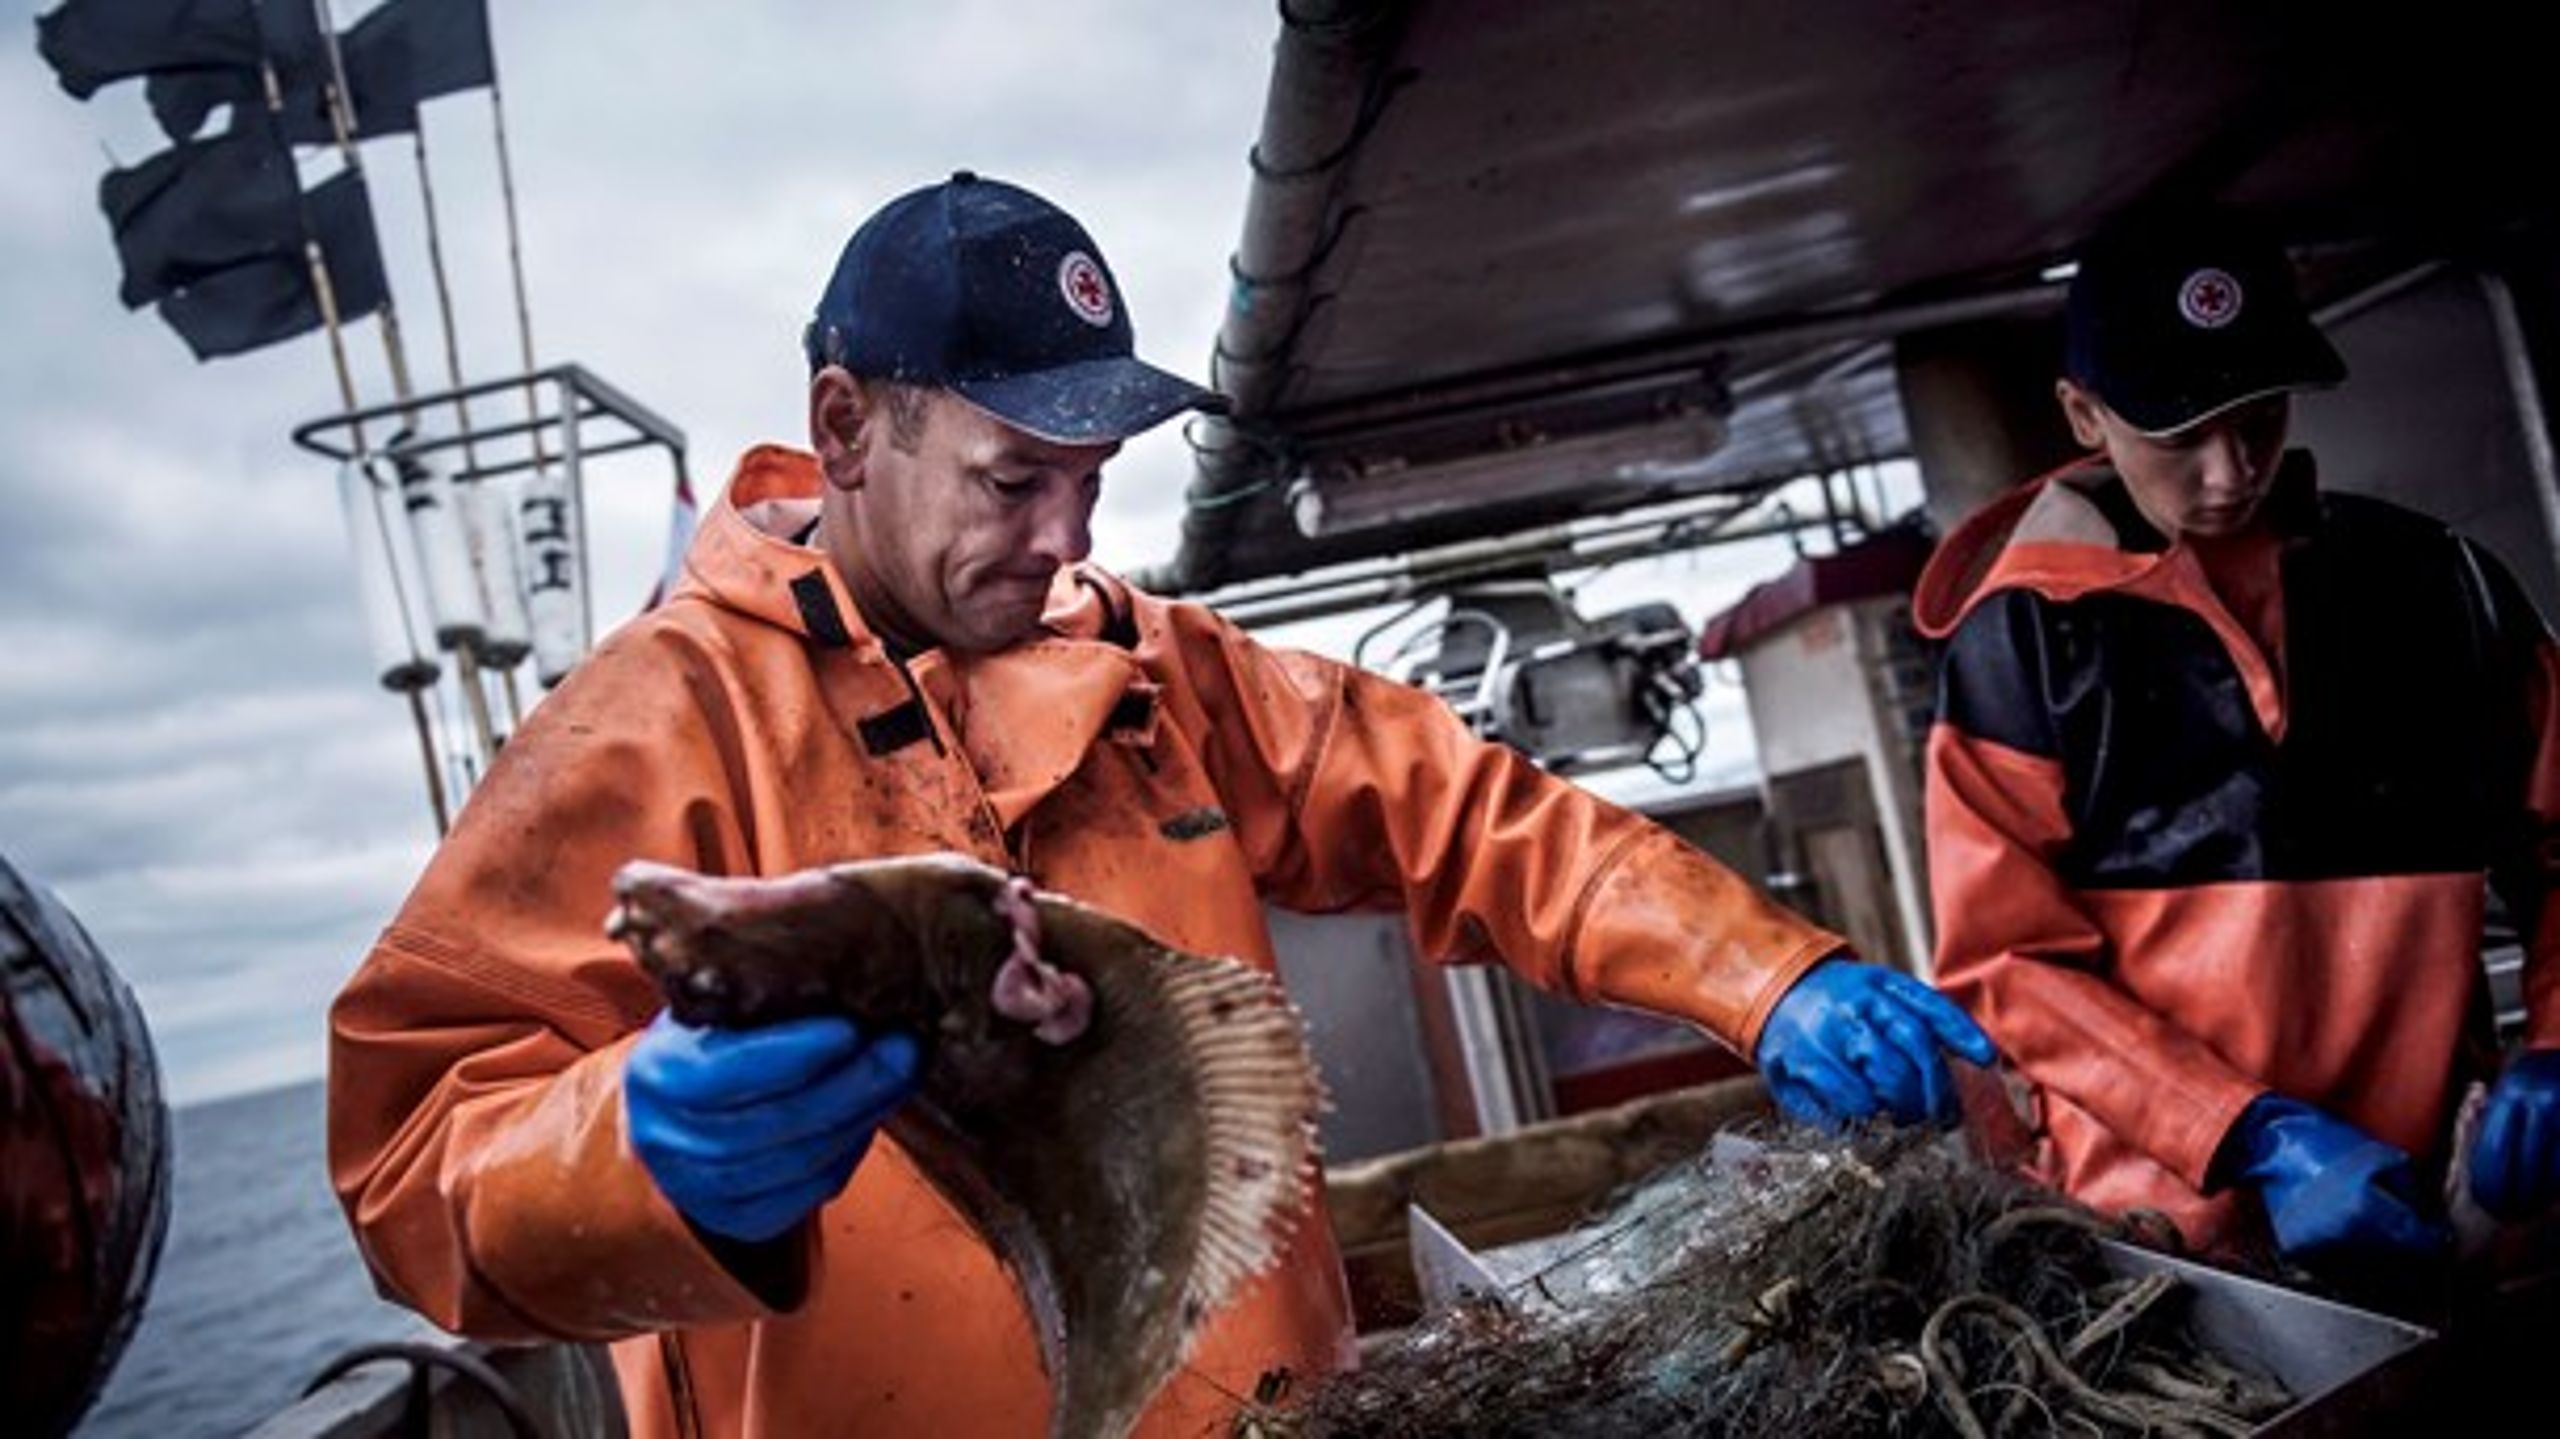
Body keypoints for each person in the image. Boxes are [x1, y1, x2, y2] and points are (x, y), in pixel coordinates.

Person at [328, 171, 1993, 1438]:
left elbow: (1479, 818)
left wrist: (1762, 970)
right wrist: (632, 1149)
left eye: (1088, 486)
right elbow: (418, 1153)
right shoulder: (644, 726)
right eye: (1010, 480)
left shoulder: (1149, 670)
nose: (1064, 541)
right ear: (845, 428)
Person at [1914, 210, 2560, 1304]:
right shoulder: (2021, 644)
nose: (2229, 469)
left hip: (2438, 1212)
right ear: (2081, 412)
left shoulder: (2438, 585)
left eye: (2258, 416)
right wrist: (2249, 1133)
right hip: (2171, 1255)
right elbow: (2007, 968)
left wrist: (2555, 1039)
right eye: (2179, 432)